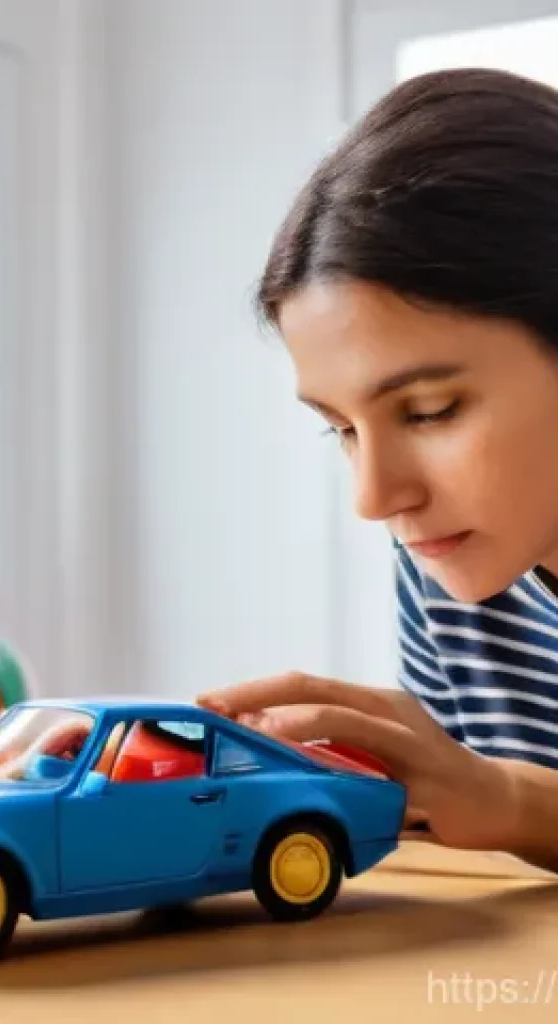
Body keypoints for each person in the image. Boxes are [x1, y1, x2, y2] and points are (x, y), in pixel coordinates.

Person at [197, 66, 558, 874]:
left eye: (429, 411)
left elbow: (497, 806)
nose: (376, 498)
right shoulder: (449, 562)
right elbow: (472, 832)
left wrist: (508, 800)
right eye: (340, 430)